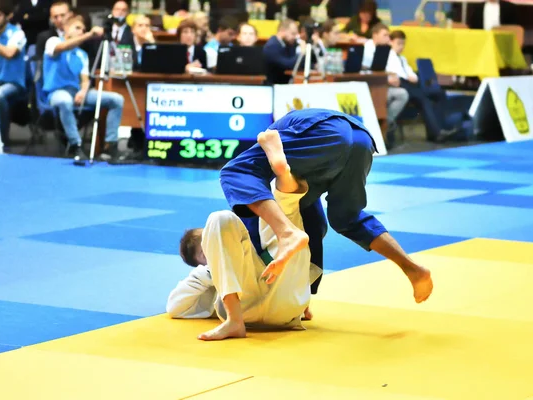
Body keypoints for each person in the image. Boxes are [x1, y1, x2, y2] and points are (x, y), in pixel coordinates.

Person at [219, 108, 434, 304]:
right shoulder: (299, 150)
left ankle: (285, 232)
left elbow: (250, 222)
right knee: (345, 218)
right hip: (362, 140)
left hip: (326, 133)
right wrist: (304, 295)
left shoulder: (282, 131)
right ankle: (412, 269)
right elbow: (315, 225)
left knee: (238, 172)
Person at [168, 133, 320, 340]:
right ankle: (234, 321)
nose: (218, 242)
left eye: (214, 239)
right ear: (202, 257)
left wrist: (305, 298)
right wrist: (209, 272)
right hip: (246, 309)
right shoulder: (208, 282)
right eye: (210, 245)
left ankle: (282, 176)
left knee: (276, 225)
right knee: (219, 218)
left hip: (286, 301)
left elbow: (300, 264)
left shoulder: (251, 252)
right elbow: (174, 307)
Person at [43, 16, 125, 161]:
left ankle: (110, 145)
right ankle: (76, 145)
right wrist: (89, 35)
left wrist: (83, 91)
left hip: (78, 92)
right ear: (66, 29)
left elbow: (85, 80)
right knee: (65, 101)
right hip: (56, 91)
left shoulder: (82, 55)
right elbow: (61, 48)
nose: (81, 31)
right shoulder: (53, 41)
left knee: (117, 100)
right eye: (77, 28)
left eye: (84, 29)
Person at [0, 0, 27, 148]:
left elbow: (9, 53)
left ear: (8, 16)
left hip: (13, 83)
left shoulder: (17, 33)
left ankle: (2, 141)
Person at [262, 19, 304, 84]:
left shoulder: (286, 44)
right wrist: (302, 53)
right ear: (282, 31)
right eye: (293, 33)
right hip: (274, 86)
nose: (295, 37)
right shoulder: (272, 46)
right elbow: (287, 65)